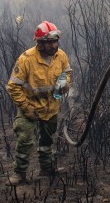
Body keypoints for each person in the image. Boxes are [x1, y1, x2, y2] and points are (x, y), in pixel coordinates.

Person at [6, 21, 72, 185]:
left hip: (51, 108)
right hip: (30, 108)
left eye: (55, 41)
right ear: (40, 43)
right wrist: (26, 108)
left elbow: (67, 72)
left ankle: (47, 169)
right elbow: (13, 86)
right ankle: (19, 173)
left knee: (47, 141)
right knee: (26, 140)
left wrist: (64, 83)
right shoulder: (26, 59)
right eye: (49, 42)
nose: (53, 45)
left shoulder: (61, 56)